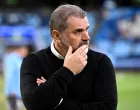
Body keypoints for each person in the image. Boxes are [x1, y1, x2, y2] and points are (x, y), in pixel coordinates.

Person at [20, 4, 117, 110]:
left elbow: (108, 107)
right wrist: (67, 70)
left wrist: (58, 102)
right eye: (78, 31)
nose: (87, 37)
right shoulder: (32, 62)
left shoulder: (101, 62)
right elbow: (33, 106)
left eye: (86, 29)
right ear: (56, 36)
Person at [4, 45, 28, 110]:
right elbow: (10, 75)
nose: (26, 52)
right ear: (20, 49)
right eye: (25, 50)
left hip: (18, 92)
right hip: (13, 93)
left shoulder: (19, 59)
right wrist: (12, 90)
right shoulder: (12, 59)